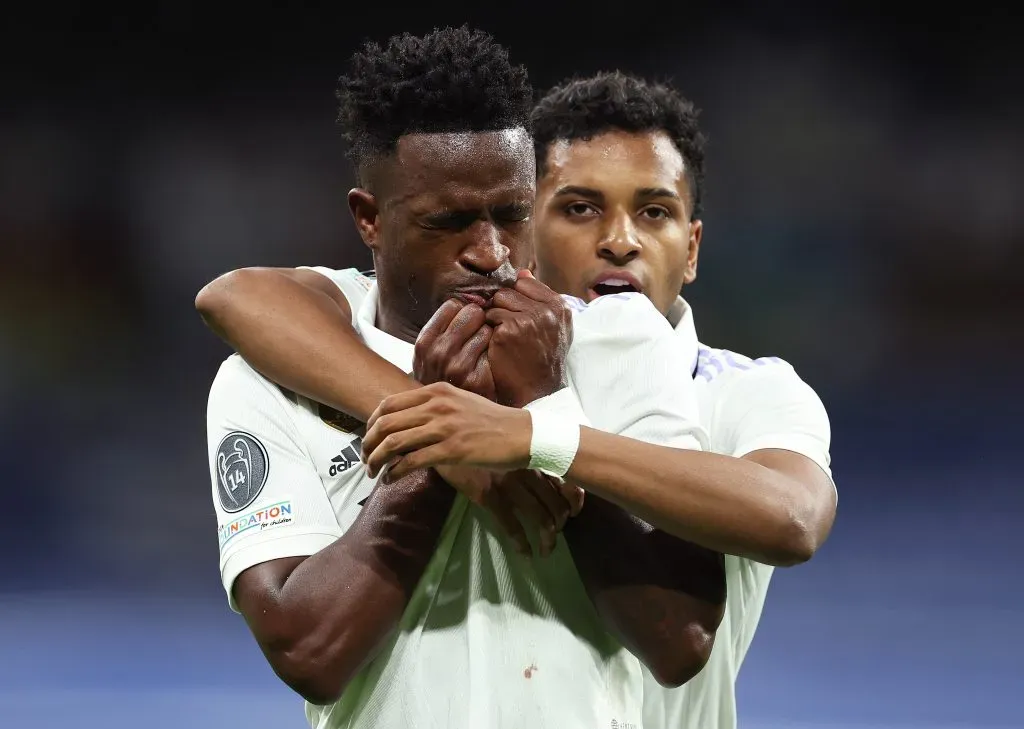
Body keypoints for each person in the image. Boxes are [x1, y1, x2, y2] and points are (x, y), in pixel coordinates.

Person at [198, 70, 838, 728]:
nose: (489, 250)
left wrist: (539, 424)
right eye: (580, 207)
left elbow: (698, 620)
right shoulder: (301, 354)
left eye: (654, 210)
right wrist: (443, 432)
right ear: (371, 220)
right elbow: (234, 294)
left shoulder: (677, 362)